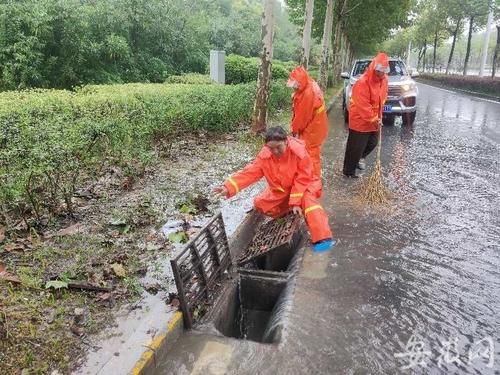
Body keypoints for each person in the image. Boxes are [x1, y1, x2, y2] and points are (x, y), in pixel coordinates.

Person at [214, 126, 335, 252]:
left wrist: (295, 202)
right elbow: (250, 173)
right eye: (271, 148)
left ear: (286, 142)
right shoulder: (265, 157)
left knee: (309, 204)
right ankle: (289, 213)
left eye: (278, 147)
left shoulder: (298, 153)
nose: (275, 151)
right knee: (260, 204)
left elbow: (303, 178)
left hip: (305, 186)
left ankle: (323, 238)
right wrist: (228, 186)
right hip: (282, 190)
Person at [343, 52, 389, 178]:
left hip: (373, 118)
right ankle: (348, 172)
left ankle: (359, 158)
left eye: (384, 71)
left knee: (373, 142)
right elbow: (363, 106)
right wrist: (374, 118)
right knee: (355, 147)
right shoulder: (362, 83)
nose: (382, 74)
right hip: (360, 119)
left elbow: (382, 98)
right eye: (380, 71)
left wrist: (378, 116)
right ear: (374, 69)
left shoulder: (384, 80)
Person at [287, 66, 329, 178]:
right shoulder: (309, 83)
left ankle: (314, 179)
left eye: (296, 86)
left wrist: (294, 130)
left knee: (311, 153)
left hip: (313, 129)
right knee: (311, 151)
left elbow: (301, 119)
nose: (294, 88)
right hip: (317, 125)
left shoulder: (307, 94)